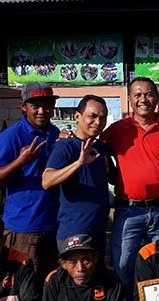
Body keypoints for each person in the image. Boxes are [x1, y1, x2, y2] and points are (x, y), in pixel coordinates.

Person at [102, 77, 159, 294]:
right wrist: (112, 174)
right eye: (138, 95)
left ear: (157, 98)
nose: (144, 99)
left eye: (149, 94)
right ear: (130, 99)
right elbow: (96, 148)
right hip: (128, 210)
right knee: (122, 264)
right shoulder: (118, 129)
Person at [0, 82, 60, 283]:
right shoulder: (12, 136)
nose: (41, 111)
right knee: (23, 288)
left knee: (51, 286)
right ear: (23, 107)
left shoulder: (55, 134)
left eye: (47, 105)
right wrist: (20, 161)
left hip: (54, 227)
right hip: (23, 228)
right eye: (35, 106)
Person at [42, 95, 110, 255]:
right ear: (77, 116)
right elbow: (46, 181)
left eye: (102, 118)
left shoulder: (100, 147)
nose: (98, 122)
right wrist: (79, 163)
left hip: (98, 231)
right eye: (92, 116)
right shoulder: (65, 146)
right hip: (75, 231)